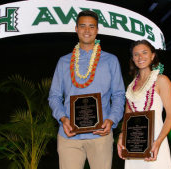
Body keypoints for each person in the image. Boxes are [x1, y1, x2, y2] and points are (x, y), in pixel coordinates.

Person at [48, 10, 125, 169]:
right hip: (69, 135)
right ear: (76, 29)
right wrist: (63, 119)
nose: (87, 30)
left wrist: (111, 120)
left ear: (97, 30)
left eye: (91, 26)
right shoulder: (64, 62)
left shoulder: (111, 60)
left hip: (100, 135)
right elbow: (54, 96)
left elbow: (118, 95)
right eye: (83, 26)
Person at [117, 40, 171, 169]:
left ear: (153, 56)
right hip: (133, 144)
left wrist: (158, 141)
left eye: (144, 53)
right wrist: (122, 136)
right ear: (133, 58)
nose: (140, 57)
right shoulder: (130, 86)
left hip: (155, 143)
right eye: (136, 54)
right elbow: (128, 116)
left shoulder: (161, 80)